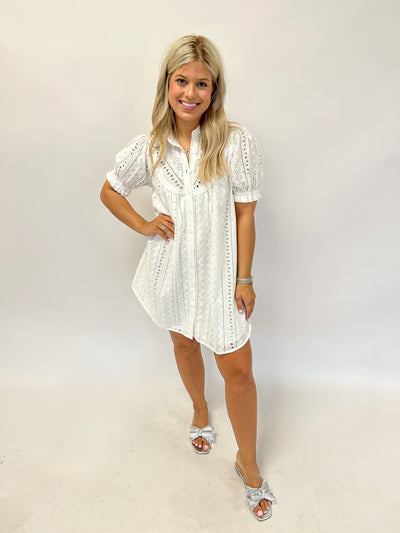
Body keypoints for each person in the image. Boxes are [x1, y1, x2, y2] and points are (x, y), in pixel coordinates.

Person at [100, 34, 276, 521]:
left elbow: (245, 214)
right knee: (183, 343)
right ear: (167, 84)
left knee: (239, 371)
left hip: (222, 277)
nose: (190, 93)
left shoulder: (235, 142)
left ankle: (248, 462)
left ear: (214, 89)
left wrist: (244, 278)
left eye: (202, 83)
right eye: (182, 81)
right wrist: (144, 225)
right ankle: (199, 408)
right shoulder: (150, 147)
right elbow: (110, 190)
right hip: (173, 272)